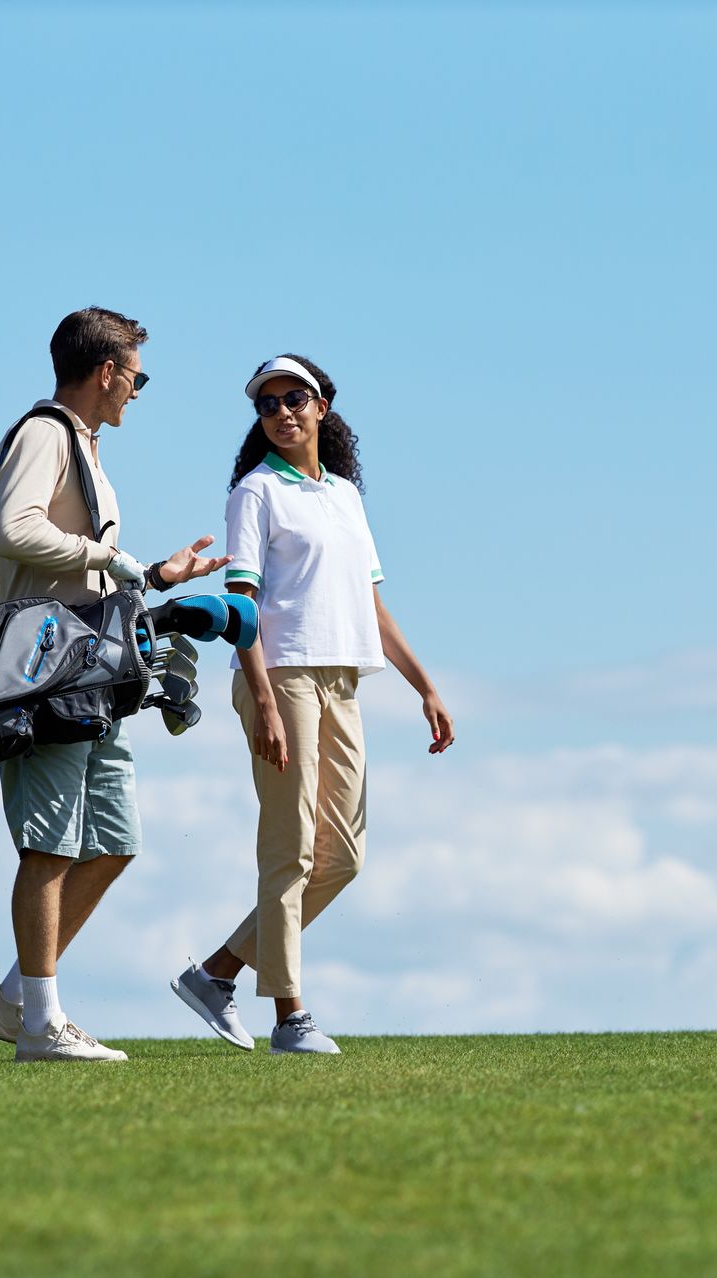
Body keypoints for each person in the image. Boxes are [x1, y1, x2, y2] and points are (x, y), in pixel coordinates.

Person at [172, 355, 454, 1055]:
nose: (282, 412)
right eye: (267, 405)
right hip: (282, 678)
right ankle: (290, 1017)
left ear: (322, 405)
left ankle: (217, 971)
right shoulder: (255, 493)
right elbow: (240, 604)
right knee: (290, 847)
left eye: (294, 397)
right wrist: (262, 696)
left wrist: (425, 684)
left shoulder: (347, 497)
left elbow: (372, 603)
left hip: (344, 680)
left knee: (342, 857)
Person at [0, 307, 229, 1063]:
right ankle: (41, 1024)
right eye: (136, 376)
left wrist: (152, 575)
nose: (138, 392)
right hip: (40, 667)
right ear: (106, 371)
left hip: (90, 670)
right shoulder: (45, 433)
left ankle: (17, 996)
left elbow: (82, 564)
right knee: (47, 844)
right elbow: (15, 529)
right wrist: (114, 562)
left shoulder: (83, 446)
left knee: (113, 841)